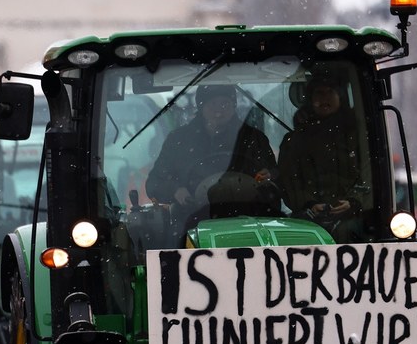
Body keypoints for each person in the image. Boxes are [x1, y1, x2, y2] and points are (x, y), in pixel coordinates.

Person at [145, 84, 276, 208]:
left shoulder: (253, 138)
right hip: (193, 216)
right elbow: (154, 183)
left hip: (251, 213)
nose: (218, 111)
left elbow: (278, 176)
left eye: (224, 104)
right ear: (201, 106)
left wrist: (269, 175)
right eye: (212, 104)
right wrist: (175, 190)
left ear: (234, 105)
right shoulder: (179, 140)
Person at [279, 74, 368, 234]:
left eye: (330, 92)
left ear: (340, 96)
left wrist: (353, 202)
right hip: (306, 220)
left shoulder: (358, 136)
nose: (324, 98)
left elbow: (368, 173)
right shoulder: (294, 141)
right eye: (319, 93)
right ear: (310, 99)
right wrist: (309, 204)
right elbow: (289, 180)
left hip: (353, 219)